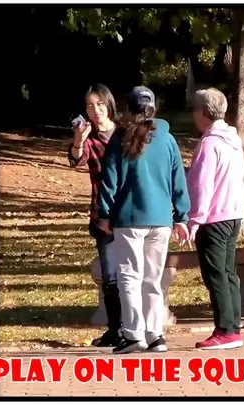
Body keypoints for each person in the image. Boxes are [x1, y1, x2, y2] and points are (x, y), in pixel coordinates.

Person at [97, 86, 190, 354]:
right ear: (153, 108)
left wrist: (104, 214)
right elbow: (178, 180)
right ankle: (156, 335)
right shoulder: (167, 139)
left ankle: (133, 334)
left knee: (129, 277)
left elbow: (109, 179)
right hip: (161, 219)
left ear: (130, 109)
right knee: (153, 278)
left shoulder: (120, 138)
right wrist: (182, 215)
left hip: (129, 218)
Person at [187, 88, 244, 350]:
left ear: (202, 112)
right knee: (228, 273)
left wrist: (194, 220)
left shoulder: (210, 144)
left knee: (216, 275)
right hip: (232, 215)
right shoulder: (233, 141)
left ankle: (225, 329)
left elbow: (202, 185)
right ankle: (233, 326)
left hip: (213, 219)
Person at [67, 83, 122, 347]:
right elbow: (76, 159)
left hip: (133, 215)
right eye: (90, 105)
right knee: (110, 276)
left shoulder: (125, 133)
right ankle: (115, 329)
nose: (95, 110)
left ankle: (141, 328)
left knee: (135, 274)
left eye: (100, 103)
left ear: (109, 104)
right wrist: (78, 140)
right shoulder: (89, 138)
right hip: (104, 217)